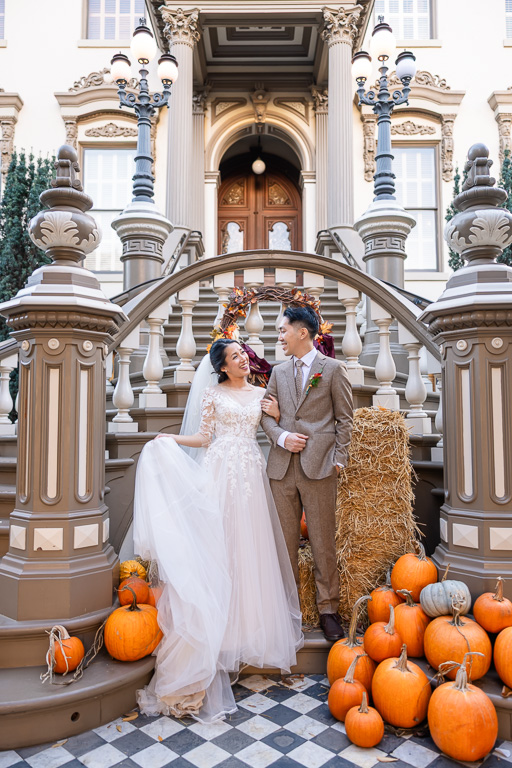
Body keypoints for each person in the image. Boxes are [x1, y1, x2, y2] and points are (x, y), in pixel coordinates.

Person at [133, 338, 303, 723]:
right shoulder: (212, 394)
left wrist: (276, 416)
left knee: (250, 551)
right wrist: (171, 438)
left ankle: (243, 636)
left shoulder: (263, 393)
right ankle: (215, 638)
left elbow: (276, 429)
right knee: (218, 551)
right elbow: (204, 438)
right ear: (223, 367)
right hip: (219, 472)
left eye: (244, 353)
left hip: (251, 476)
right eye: (235, 357)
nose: (244, 359)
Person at [260, 306, 353, 642]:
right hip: (281, 469)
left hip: (320, 467)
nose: (279, 337)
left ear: (302, 332)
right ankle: (284, 610)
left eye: (282, 330)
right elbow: (266, 416)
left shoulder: (333, 369)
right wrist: (282, 436)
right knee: (282, 544)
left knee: (322, 542)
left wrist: (338, 460)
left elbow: (346, 419)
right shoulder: (278, 372)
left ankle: (328, 609)